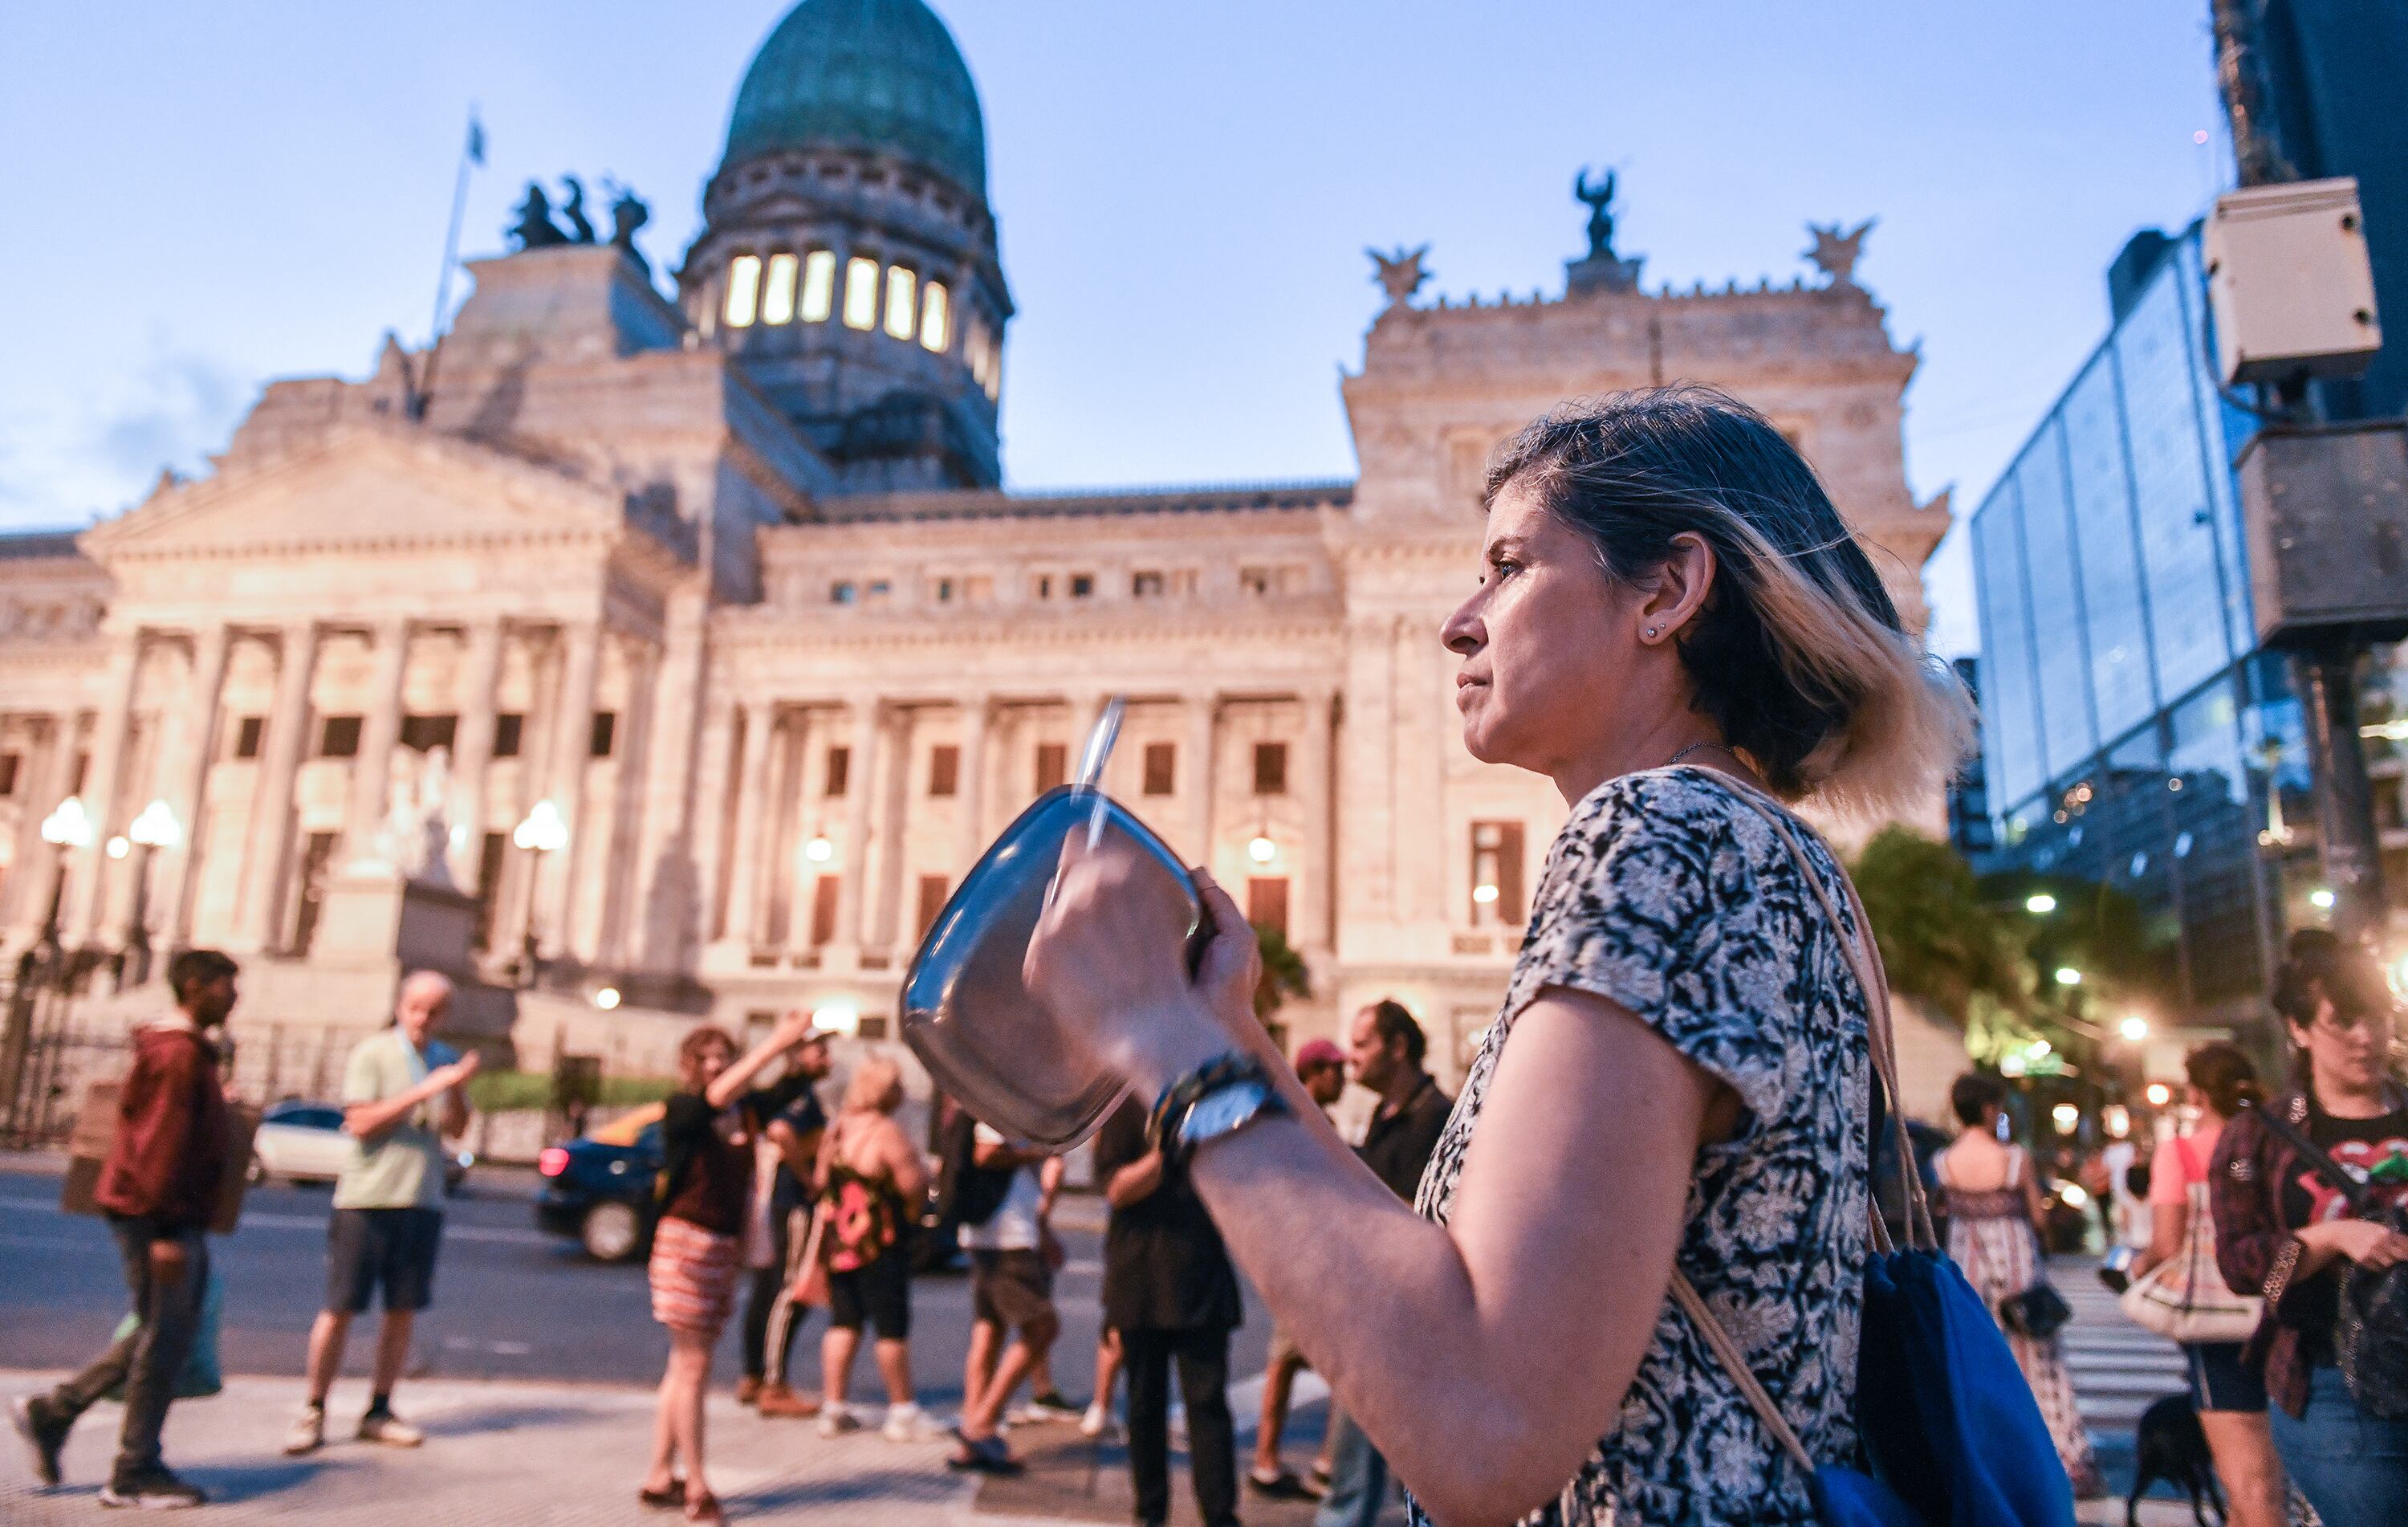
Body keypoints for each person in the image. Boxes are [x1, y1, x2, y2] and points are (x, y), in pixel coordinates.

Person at [1021, 386, 1977, 1525]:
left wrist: (1163, 1041)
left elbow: (1484, 1420)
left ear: (1667, 591)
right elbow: (1447, 1282)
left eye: (1511, 566)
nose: (1458, 619)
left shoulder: (1661, 837)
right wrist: (1237, 1040)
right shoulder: (1772, 850)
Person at [13, 949, 240, 1509]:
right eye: (224, 986)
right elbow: (159, 1143)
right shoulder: (179, 1055)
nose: (233, 997)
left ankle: (56, 1411)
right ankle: (133, 1471)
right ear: (194, 987)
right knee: (164, 1336)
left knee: (162, 1328)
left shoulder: (185, 1054)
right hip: (159, 1215)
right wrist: (164, 1229)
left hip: (163, 1212)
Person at [2210, 930, 2408, 1527]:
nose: (2366, 1037)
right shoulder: (2261, 1137)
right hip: (2329, 1381)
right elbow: (2242, 1268)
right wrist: (2328, 1239)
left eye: (2377, 1017)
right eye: (2342, 1022)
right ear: (2298, 1030)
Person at [639, 1013, 825, 1525]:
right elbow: (713, 1100)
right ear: (690, 1065)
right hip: (684, 1242)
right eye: (706, 1058)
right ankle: (698, 1483)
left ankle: (659, 1473)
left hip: (722, 1246)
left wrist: (803, 1056)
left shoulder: (744, 1112)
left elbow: (787, 1089)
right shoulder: (684, 1108)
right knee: (694, 1366)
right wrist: (776, 1042)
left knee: (683, 1365)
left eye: (722, 1055)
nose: (716, 1065)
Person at [283, 971, 479, 1456]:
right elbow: (361, 1121)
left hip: (422, 1198)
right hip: (366, 1198)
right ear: (400, 1007)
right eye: (416, 1008)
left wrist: (453, 1088)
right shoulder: (373, 1053)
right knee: (340, 1307)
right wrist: (424, 1090)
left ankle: (380, 1407)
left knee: (401, 1311)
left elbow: (455, 1130)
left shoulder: (444, 1058)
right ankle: (314, 1407)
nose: (424, 1019)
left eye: (434, 1011)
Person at [2130, 1042, 2286, 1527]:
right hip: (2286, 1307)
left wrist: (2138, 1267)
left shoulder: (2181, 1153)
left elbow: (2168, 1242)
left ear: (2196, 1094)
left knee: (2250, 1487)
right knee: (2272, 1480)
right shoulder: (2279, 1141)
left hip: (2222, 1324)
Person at [1316, 1004, 1454, 1527]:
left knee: (1361, 1488)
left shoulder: (1435, 1117)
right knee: (1379, 1481)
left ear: (1398, 1048)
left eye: (1363, 1043)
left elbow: (1426, 1220)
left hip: (1405, 1325)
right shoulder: (1387, 1115)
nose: (1351, 1057)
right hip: (1373, 1316)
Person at [1937, 1073, 2103, 1497]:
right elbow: (2039, 1216)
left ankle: (1987, 1456)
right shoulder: (2013, 1159)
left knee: (1976, 1356)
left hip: (1966, 1265)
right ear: (1989, 1108)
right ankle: (2061, 1457)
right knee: (2038, 1359)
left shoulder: (1943, 1161)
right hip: (2015, 1264)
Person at [1094, 1093, 1243, 1527]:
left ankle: (1220, 1516)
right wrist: (1166, 1151)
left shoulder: (1210, 1104)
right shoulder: (1123, 1107)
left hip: (1201, 1280)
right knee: (1144, 1407)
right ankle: (1150, 1513)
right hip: (1138, 1280)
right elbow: (1117, 1189)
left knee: (1208, 1405)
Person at [1247, 1037, 1348, 1497]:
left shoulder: (1298, 1115)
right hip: (1309, 1263)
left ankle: (1272, 1459)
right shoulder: (1304, 1119)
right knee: (1330, 1365)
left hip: (1300, 1261)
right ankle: (1311, 1462)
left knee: (1287, 1363)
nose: (1342, 1079)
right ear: (1313, 1073)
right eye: (1335, 1070)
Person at [813, 1056, 930, 1443]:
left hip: (840, 1242)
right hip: (880, 1242)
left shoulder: (838, 1129)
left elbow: (819, 1180)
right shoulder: (887, 1133)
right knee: (890, 1326)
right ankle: (902, 1411)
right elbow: (913, 1186)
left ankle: (834, 1407)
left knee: (843, 1321)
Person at [947, 1120, 1064, 1472]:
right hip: (1006, 1236)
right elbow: (986, 1152)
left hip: (990, 1232)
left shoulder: (987, 1097)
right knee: (1042, 1328)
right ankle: (982, 1424)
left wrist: (1042, 1229)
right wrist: (1042, 1149)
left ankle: (972, 1436)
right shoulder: (995, 1103)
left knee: (988, 1331)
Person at [739, 1027, 833, 1419]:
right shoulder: (796, 1094)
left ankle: (754, 1374)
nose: (827, 1058)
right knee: (790, 1290)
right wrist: (811, 1179)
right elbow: (781, 1133)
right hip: (794, 1202)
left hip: (781, 1200)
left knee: (768, 1288)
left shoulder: (793, 1092)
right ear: (797, 1055)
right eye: (819, 1050)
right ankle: (774, 1383)